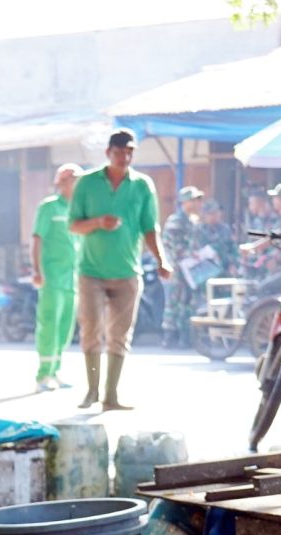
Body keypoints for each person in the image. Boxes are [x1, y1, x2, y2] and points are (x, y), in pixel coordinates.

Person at [67, 128, 172, 410]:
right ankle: (91, 390)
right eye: (119, 152)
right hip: (91, 271)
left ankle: (110, 395)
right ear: (108, 153)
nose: (124, 157)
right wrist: (99, 223)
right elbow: (73, 225)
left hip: (127, 272)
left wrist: (161, 260)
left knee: (120, 335)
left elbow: (150, 228)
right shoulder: (87, 183)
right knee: (91, 331)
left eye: (129, 152)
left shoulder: (142, 185)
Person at [31, 163, 82, 388]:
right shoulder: (49, 207)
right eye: (71, 179)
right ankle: (43, 375)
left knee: (65, 326)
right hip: (51, 277)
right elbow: (37, 239)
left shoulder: (78, 210)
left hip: (72, 279)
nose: (75, 183)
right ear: (60, 183)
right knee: (49, 324)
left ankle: (55, 371)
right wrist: (37, 270)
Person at [160, 186, 204, 348]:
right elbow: (173, 245)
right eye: (194, 200)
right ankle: (169, 337)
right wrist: (188, 254)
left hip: (190, 270)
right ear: (184, 202)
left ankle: (185, 336)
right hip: (176, 270)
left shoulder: (194, 221)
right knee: (173, 303)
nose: (197, 203)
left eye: (198, 200)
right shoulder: (176, 220)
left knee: (188, 303)